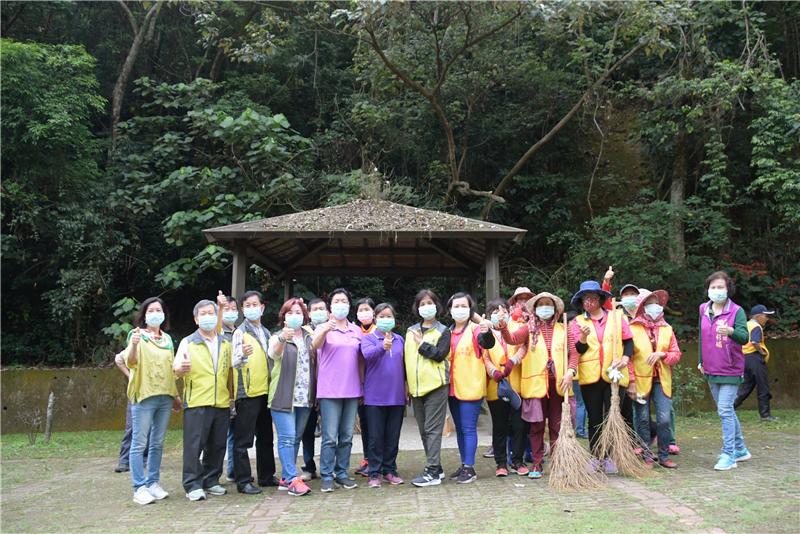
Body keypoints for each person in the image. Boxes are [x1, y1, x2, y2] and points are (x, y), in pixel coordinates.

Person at [499, 292, 573, 479]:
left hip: (559, 385)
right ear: (535, 309)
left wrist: (571, 372)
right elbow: (512, 340)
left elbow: (574, 354)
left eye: (549, 304)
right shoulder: (528, 329)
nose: (545, 308)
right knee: (536, 427)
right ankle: (537, 463)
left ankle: (559, 462)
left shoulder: (564, 329)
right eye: (541, 305)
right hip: (536, 385)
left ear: (555, 309)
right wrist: (502, 327)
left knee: (558, 426)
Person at [569, 280, 634, 474]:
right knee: (595, 417)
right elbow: (578, 350)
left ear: (600, 299)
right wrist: (582, 338)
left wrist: (624, 357)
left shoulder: (616, 317)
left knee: (613, 416)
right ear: (581, 302)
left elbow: (628, 341)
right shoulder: (577, 322)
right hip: (590, 377)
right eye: (585, 299)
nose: (589, 302)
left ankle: (612, 456)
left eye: (593, 298)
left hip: (614, 374)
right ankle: (597, 457)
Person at [174, 296, 232, 501]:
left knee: (217, 445)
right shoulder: (188, 342)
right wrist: (181, 368)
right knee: (194, 445)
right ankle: (192, 484)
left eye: (211, 313)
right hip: (197, 401)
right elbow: (176, 370)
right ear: (196, 319)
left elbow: (234, 367)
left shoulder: (225, 342)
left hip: (221, 401)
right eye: (203, 314)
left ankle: (211, 480)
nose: (208, 317)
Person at [123, 297, 179, 505]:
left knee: (157, 442)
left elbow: (171, 370)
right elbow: (131, 362)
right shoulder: (137, 335)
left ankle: (153, 482)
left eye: (159, 310)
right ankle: (139, 487)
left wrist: (175, 396)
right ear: (144, 315)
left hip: (164, 396)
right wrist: (135, 345)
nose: (155, 313)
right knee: (139, 443)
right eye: (151, 310)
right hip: (144, 396)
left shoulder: (167, 339)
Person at [698, 271, 751, 471]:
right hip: (711, 367)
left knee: (724, 410)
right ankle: (740, 448)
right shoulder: (703, 308)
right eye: (713, 287)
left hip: (730, 368)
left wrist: (730, 331)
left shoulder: (737, 311)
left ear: (728, 289)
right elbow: (702, 335)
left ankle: (729, 454)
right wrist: (700, 360)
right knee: (726, 410)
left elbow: (744, 337)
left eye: (721, 287)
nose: (716, 290)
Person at [312, 288, 362, 492]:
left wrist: (363, 386)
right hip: (329, 391)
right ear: (331, 306)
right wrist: (325, 329)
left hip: (352, 390)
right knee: (330, 437)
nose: (341, 304)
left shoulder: (356, 330)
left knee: (347, 436)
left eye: (344, 301)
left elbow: (360, 361)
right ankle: (326, 475)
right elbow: (314, 346)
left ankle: (342, 473)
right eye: (337, 301)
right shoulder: (323, 327)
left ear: (349, 306)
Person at [268, 298, 316, 496]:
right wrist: (282, 339)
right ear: (284, 316)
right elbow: (274, 354)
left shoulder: (310, 335)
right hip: (283, 395)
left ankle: (286, 478)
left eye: (298, 312)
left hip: (305, 396)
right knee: (287, 439)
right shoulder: (277, 337)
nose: (294, 316)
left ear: (304, 316)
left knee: (296, 437)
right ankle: (292, 479)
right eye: (290, 312)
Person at [231, 290, 277, 494]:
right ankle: (243, 481)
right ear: (242, 309)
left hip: (266, 391)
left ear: (262, 307)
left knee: (266, 437)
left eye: (254, 304)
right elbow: (234, 361)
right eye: (247, 305)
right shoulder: (239, 332)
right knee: (243, 440)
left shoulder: (266, 332)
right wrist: (242, 354)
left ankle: (267, 476)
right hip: (247, 392)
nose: (251, 308)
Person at [629, 289, 681, 469]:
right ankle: (647, 456)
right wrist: (631, 381)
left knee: (664, 418)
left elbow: (676, 354)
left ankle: (664, 455)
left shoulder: (667, 328)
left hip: (662, 381)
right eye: (649, 302)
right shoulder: (632, 328)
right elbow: (627, 357)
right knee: (642, 418)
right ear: (642, 307)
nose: (654, 306)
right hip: (640, 380)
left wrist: (662, 354)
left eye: (656, 302)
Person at [447, 292, 494, 484]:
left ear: (470, 309)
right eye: (455, 306)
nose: (459, 309)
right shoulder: (447, 332)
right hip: (452, 389)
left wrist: (487, 331)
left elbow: (487, 343)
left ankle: (470, 467)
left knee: (468, 428)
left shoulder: (476, 329)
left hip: (471, 388)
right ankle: (464, 464)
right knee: (460, 429)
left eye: (463, 306)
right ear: (450, 310)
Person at [406, 289, 451, 487]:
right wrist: (405, 384)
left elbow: (440, 354)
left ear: (437, 305)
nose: (426, 307)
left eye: (429, 303)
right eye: (422, 304)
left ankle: (432, 471)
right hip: (416, 389)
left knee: (433, 429)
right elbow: (405, 360)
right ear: (417, 307)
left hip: (436, 386)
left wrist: (422, 343)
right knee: (424, 430)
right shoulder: (410, 331)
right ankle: (437, 467)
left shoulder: (443, 331)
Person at [360, 303, 406, 488]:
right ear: (375, 318)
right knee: (375, 437)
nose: (386, 319)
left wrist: (406, 387)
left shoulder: (400, 340)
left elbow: (404, 365)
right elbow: (367, 356)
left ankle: (390, 470)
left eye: (389, 316)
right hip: (374, 396)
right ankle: (374, 472)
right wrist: (382, 347)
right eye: (382, 316)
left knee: (392, 436)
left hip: (396, 395)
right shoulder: (368, 339)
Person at [483, 299, 528, 477]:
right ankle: (501, 463)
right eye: (494, 311)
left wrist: (513, 361)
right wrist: (493, 371)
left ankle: (518, 461)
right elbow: (484, 356)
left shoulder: (517, 328)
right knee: (499, 426)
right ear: (489, 315)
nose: (499, 313)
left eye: (502, 310)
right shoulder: (486, 333)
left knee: (519, 425)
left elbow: (523, 348)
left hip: (516, 385)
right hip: (496, 386)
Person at [300, 297, 328, 481]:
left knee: (330, 433)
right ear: (308, 313)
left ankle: (329, 466)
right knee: (307, 431)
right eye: (315, 309)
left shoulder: (333, 331)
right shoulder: (302, 333)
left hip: (329, 389)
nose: (319, 312)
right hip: (308, 390)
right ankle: (309, 466)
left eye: (322, 308)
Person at [734, 304, 777, 422]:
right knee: (763, 386)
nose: (767, 319)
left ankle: (728, 408)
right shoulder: (756, 326)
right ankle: (765, 415)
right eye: (765, 316)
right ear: (758, 316)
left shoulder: (745, 325)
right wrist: (761, 352)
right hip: (755, 358)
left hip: (744, 359)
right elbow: (754, 341)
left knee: (745, 386)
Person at [113, 349, 147, 473]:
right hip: (136, 392)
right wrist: (130, 375)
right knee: (132, 427)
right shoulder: (136, 346)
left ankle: (144, 459)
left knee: (150, 427)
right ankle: (124, 460)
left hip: (153, 392)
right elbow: (118, 359)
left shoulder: (161, 344)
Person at [354, 297, 376, 477]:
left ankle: (376, 459)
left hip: (375, 385)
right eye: (360, 310)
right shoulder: (354, 331)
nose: (364, 313)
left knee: (374, 423)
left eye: (367, 309)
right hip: (359, 384)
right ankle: (367, 458)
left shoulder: (380, 331)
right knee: (365, 424)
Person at [221, 296, 239, 482]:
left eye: (234, 308)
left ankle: (233, 470)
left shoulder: (240, 332)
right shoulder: (217, 332)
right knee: (221, 434)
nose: (231, 312)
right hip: (223, 390)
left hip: (239, 390)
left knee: (235, 432)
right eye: (227, 309)